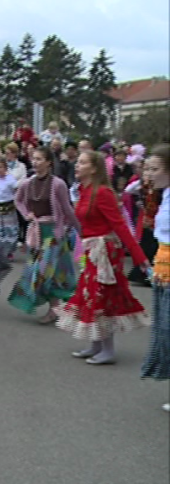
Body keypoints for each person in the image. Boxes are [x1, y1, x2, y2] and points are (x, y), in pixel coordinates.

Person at [56, 150, 150, 365]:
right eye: (77, 162)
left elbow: (119, 225)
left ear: (94, 168)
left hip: (106, 252)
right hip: (92, 250)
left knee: (102, 297)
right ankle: (96, 344)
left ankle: (108, 350)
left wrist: (139, 257)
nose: (77, 166)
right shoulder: (84, 191)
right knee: (90, 295)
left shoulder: (103, 192)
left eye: (82, 162)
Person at [8, 146, 79, 322]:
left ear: (49, 162)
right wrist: (27, 215)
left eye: (40, 159)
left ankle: (61, 308)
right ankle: (55, 309)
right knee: (50, 274)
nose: (35, 162)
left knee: (43, 272)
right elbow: (17, 200)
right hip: (36, 232)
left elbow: (67, 209)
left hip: (53, 233)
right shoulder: (27, 183)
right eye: (34, 158)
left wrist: (81, 230)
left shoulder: (58, 184)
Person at [139, 144, 170, 411]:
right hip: (162, 272)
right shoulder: (164, 196)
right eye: (147, 168)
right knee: (164, 331)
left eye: (155, 169)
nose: (149, 174)